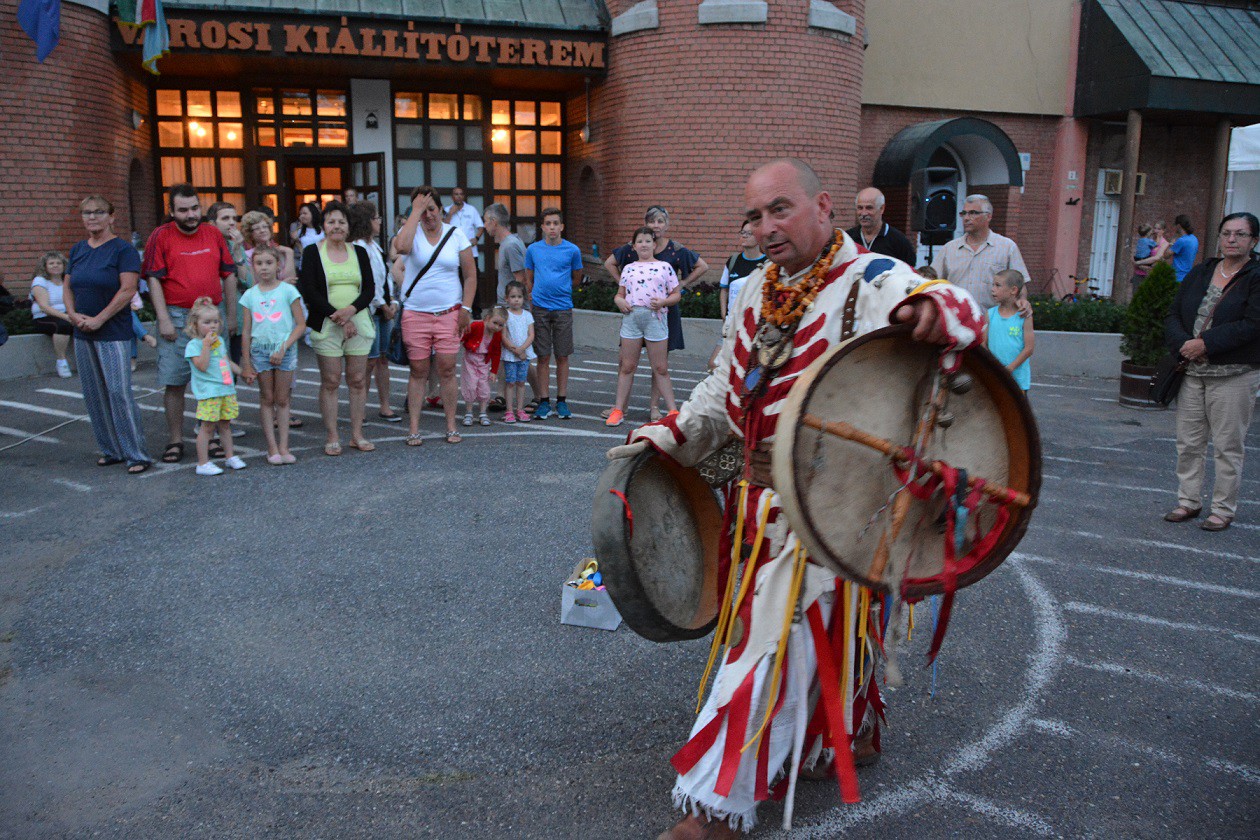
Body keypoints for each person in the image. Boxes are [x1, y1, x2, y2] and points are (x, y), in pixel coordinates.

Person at [604, 159, 983, 838]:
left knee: (771, 649)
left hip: (832, 514)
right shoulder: (754, 289)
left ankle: (714, 811)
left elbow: (957, 308)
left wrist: (935, 310)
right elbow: (726, 388)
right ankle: (847, 734)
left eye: (780, 209)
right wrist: (674, 431)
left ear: (823, 206)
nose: (765, 227)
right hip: (754, 510)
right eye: (754, 216)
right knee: (818, 633)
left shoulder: (873, 279)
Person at [1163, 212, 1260, 533]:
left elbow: (1253, 325)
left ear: (1254, 241)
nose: (1232, 239)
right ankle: (1188, 500)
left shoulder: (1256, 276)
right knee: (1188, 442)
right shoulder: (1202, 271)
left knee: (1228, 445)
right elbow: (1173, 313)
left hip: (1234, 374)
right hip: (1192, 372)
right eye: (1226, 233)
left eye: (1241, 234)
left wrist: (1204, 344)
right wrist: (1184, 345)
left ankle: (1222, 508)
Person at [142, 184, 236, 465]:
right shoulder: (160, 236)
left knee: (215, 380)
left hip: (213, 317)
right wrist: (163, 319)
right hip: (177, 317)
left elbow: (229, 274)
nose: (191, 214)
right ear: (172, 211)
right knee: (174, 382)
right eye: (183, 210)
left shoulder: (213, 233)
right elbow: (153, 278)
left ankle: (212, 436)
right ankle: (175, 440)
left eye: (195, 208)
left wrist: (231, 316)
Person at [61, 196, 153, 474]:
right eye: (87, 213)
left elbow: (127, 290)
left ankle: (136, 454)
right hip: (82, 331)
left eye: (99, 212)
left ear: (111, 217)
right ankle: (111, 450)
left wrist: (100, 319)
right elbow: (68, 287)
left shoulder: (123, 250)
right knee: (93, 393)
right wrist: (72, 314)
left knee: (118, 392)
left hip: (112, 331)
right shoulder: (78, 250)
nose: (92, 217)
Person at [605, 206, 710, 419]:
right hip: (633, 314)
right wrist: (623, 291)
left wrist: (682, 284)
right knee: (626, 362)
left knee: (659, 365)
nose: (656, 225)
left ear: (667, 225)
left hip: (662, 313)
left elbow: (702, 266)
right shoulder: (633, 248)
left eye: (660, 221)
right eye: (652, 221)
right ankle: (621, 407)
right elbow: (610, 264)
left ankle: (655, 407)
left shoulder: (675, 250)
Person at [393, 186, 478, 446]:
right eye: (423, 210)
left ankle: (451, 425)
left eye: (432, 209)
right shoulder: (410, 232)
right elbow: (401, 248)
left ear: (441, 209)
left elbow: (470, 275)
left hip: (448, 313)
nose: (428, 215)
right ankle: (414, 429)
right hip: (415, 313)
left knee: (447, 369)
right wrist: (415, 212)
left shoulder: (456, 234)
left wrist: (465, 309)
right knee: (418, 370)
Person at [297, 200, 377, 456]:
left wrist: (350, 311)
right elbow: (309, 290)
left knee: (357, 380)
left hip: (358, 322)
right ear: (323, 225)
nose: (337, 226)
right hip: (327, 323)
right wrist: (339, 317)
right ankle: (332, 435)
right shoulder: (312, 252)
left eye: (342, 222)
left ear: (348, 226)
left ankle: (357, 434)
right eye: (331, 221)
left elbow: (369, 289)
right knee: (331, 380)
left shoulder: (359, 252)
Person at [608, 227, 682, 427]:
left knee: (660, 367)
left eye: (648, 241)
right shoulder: (628, 268)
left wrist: (664, 302)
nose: (644, 245)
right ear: (634, 246)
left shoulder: (665, 267)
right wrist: (619, 301)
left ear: (654, 245)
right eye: (639, 241)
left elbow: (676, 294)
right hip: (632, 318)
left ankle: (673, 410)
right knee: (627, 366)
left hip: (655, 318)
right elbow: (620, 294)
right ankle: (618, 410)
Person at [239, 246, 305, 465]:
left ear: (278, 265)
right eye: (259, 263)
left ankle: (284, 446)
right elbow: (246, 331)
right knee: (267, 398)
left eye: (269, 263)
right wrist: (246, 363)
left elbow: (300, 325)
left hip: (284, 350)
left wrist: (283, 347)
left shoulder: (288, 291)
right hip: (260, 351)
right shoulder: (250, 295)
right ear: (253, 266)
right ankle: (272, 448)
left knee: (282, 399)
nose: (264, 268)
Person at [526, 207, 584, 420]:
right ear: (542, 227)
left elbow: (577, 278)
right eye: (548, 224)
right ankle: (543, 401)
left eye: (555, 223)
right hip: (540, 308)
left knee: (562, 355)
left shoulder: (572, 250)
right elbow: (529, 277)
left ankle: (561, 400)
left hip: (562, 307)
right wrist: (533, 295)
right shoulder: (533, 250)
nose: (552, 227)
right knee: (542, 356)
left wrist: (563, 290)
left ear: (562, 227)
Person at [348, 201, 400, 424]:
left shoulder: (375, 246)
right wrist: (383, 305)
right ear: (366, 221)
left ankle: (385, 405)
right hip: (370, 310)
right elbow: (367, 282)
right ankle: (360, 409)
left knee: (382, 359)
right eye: (376, 217)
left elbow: (385, 277)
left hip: (383, 309)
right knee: (367, 362)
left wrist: (393, 301)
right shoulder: (358, 247)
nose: (379, 221)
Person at [930, 194, 1029, 310]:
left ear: (988, 216)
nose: (966, 218)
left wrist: (1022, 301)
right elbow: (931, 282)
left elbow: (1020, 286)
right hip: (956, 318)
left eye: (973, 213)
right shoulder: (949, 249)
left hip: (992, 318)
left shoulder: (1007, 247)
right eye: (964, 213)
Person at [183, 297, 247, 476]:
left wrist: (242, 373)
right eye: (207, 322)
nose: (212, 326)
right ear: (195, 325)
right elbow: (202, 366)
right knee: (208, 427)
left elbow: (225, 361)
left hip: (225, 389)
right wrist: (206, 346)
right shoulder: (194, 345)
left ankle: (230, 456)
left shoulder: (219, 341)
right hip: (209, 392)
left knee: (225, 425)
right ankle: (203, 463)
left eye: (215, 322)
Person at [985, 269, 1034, 392]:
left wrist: (1010, 368)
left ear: (1013, 290)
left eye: (998, 285)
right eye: (993, 285)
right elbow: (983, 344)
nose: (993, 289)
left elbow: (1029, 348)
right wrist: (995, 366)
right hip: (994, 375)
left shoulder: (1025, 316)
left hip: (1018, 379)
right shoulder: (990, 314)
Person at [28, 251, 75, 377]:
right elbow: (44, 307)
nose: (55, 265)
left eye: (59, 263)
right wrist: (67, 317)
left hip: (67, 315)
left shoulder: (67, 281)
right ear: (45, 266)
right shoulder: (40, 281)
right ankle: (61, 362)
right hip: (44, 317)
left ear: (64, 266)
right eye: (51, 263)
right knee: (63, 325)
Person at [846, 187, 916, 265]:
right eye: (860, 208)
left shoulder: (899, 241)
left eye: (869, 208)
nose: (864, 213)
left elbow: (909, 270)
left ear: (882, 208)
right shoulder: (847, 239)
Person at [460, 307, 506, 426]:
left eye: (500, 325)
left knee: (483, 387)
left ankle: (482, 412)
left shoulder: (497, 334)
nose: (497, 327)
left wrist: (494, 371)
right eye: (495, 323)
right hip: (470, 359)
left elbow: (496, 352)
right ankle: (469, 412)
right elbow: (463, 337)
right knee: (470, 385)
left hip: (484, 362)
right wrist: (460, 344)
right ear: (487, 318)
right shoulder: (476, 326)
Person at [500, 281, 535, 424]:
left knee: (521, 382)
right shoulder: (505, 315)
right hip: (510, 355)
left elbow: (531, 335)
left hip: (524, 355)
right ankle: (509, 410)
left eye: (519, 297)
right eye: (513, 296)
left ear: (524, 298)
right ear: (506, 298)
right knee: (510, 382)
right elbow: (503, 336)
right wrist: (514, 349)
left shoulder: (527, 315)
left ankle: (520, 409)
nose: (516, 300)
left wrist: (522, 349)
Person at [241, 210, 297, 283]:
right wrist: (283, 284)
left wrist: (289, 253)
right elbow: (255, 284)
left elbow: (292, 281)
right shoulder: (248, 256)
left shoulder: (282, 251)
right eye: (257, 228)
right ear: (250, 234)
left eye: (265, 227)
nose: (262, 230)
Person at [443, 186, 485, 263]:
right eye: (456, 194)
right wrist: (450, 213)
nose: (459, 196)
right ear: (452, 197)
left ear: (463, 196)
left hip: (470, 251)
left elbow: (481, 227)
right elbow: (443, 228)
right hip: (453, 252)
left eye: (461, 194)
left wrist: (476, 238)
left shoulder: (471, 209)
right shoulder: (447, 210)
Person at [1167, 214, 1200, 283]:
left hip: (1177, 277)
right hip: (1187, 276)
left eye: (1175, 225)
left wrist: (1171, 243)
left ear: (1179, 226)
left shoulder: (1181, 241)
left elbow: (1166, 255)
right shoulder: (1194, 239)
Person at [291, 201, 325, 266]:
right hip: (305, 263)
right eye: (300, 214)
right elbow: (294, 236)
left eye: (305, 213)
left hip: (321, 263)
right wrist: (301, 224)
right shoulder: (301, 231)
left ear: (313, 214)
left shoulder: (323, 230)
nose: (302, 216)